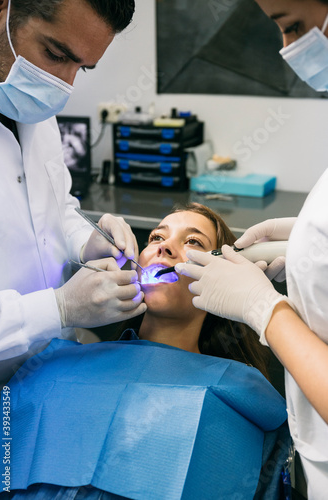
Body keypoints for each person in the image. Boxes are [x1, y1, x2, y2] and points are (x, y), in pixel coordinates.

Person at [0, 204, 290, 499]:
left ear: (221, 279)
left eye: (193, 242)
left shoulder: (242, 397)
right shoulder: (49, 368)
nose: (165, 248)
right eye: (156, 238)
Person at [175, 2, 328, 499]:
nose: (287, 50)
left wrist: (265, 309)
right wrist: (310, 239)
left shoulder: (241, 396)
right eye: (155, 237)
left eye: (294, 27)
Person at [0, 0, 146, 401]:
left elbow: (55, 207)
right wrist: (59, 308)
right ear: (1, 10)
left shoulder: (31, 102)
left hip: (48, 378)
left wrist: (89, 238)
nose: (62, 83)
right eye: (56, 54)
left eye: (80, 67)